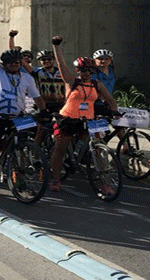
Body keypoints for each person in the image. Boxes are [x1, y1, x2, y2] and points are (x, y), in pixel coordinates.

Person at [48, 36, 119, 192]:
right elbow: (61, 64)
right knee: (59, 150)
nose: (87, 73)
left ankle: (104, 182)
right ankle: (55, 179)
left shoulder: (96, 84)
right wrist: (56, 46)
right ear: (77, 71)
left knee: (99, 148)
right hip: (68, 119)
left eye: (90, 71)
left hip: (89, 120)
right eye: (83, 70)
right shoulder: (72, 81)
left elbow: (110, 99)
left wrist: (115, 111)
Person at [0, 24, 48, 171]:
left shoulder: (27, 78)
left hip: (17, 117)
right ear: (4, 64)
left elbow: (37, 97)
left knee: (21, 149)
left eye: (17, 62)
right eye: (10, 63)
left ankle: (19, 181)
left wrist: (43, 111)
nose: (14, 65)